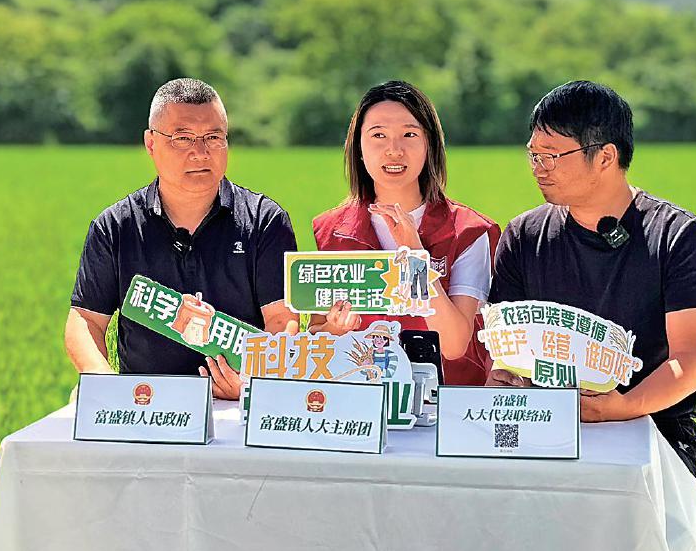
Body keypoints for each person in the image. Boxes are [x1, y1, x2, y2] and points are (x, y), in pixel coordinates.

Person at [487, 80, 696, 478]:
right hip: (545, 427)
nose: (539, 168)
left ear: (605, 156)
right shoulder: (524, 235)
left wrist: (621, 407)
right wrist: (504, 380)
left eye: (552, 156)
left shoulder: (676, 235)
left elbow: (690, 360)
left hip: (653, 430)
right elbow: (505, 349)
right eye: (534, 155)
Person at [64, 78, 297, 399]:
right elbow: (86, 320)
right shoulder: (116, 225)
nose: (200, 153)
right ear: (151, 143)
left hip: (236, 403)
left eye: (213, 138)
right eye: (183, 138)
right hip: (145, 403)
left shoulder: (264, 220)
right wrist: (104, 382)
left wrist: (251, 382)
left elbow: (282, 320)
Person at [312, 80, 500, 385]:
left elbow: (454, 344)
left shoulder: (467, 230)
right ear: (358, 147)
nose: (394, 150)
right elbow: (316, 335)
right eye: (378, 135)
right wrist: (335, 329)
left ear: (429, 145)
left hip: (444, 403)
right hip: (362, 401)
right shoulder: (331, 232)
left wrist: (415, 257)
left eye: (409, 134)